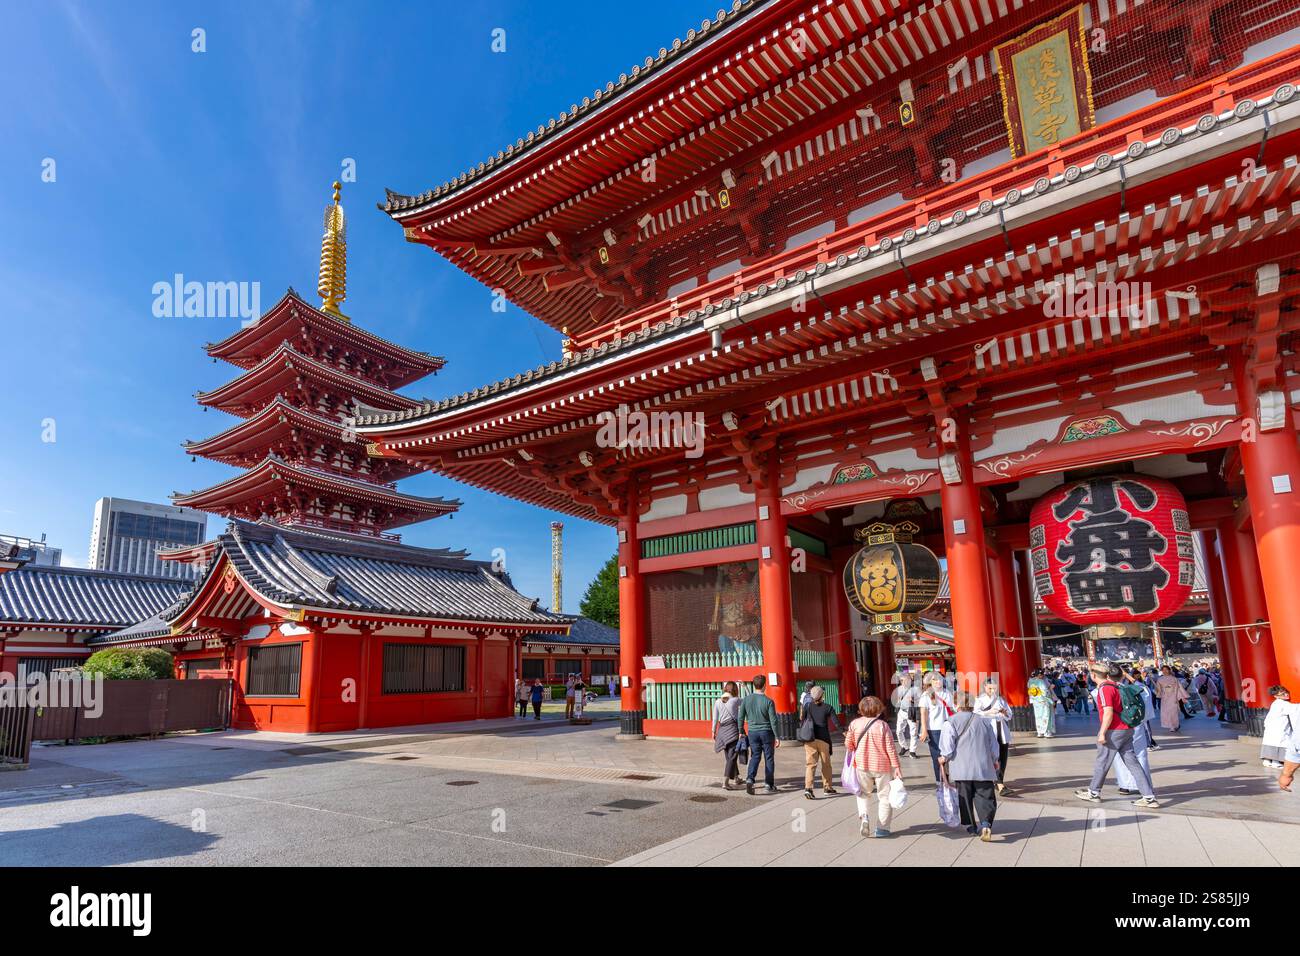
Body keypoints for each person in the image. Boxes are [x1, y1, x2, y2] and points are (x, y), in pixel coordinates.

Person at [1074, 662, 1159, 808]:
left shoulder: (1104, 689)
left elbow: (1108, 712)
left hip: (1114, 730)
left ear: (1093, 676)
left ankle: (1094, 792)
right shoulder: (1119, 685)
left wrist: (1102, 732)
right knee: (1133, 762)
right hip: (1127, 728)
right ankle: (1149, 797)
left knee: (1102, 761)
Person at [940, 692, 1001, 842]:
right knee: (986, 796)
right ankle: (986, 823)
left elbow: (947, 747)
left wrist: (944, 757)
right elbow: (993, 743)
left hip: (961, 767)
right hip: (983, 766)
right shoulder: (984, 721)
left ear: (956, 705)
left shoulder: (950, 722)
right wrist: (995, 759)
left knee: (965, 797)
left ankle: (971, 826)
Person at [844, 696, 902, 837]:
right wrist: (896, 766)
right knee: (884, 797)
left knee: (863, 793)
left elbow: (848, 744)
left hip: (862, 765)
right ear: (878, 709)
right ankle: (882, 828)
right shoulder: (882, 726)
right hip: (882, 765)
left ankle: (864, 816)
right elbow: (890, 748)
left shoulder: (854, 724)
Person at [736, 674, 780, 795]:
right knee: (769, 758)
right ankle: (769, 784)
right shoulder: (769, 701)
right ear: (764, 685)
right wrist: (777, 736)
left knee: (755, 756)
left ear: (754, 685)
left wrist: (741, 731)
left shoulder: (746, 700)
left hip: (752, 732)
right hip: (767, 732)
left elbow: (740, 717)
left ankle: (750, 779)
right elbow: (773, 721)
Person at [1116, 670, 1156, 795]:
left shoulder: (1113, 689)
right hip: (1137, 724)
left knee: (1121, 756)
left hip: (1120, 725)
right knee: (1140, 754)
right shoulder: (1139, 689)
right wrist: (1129, 677)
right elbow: (1144, 693)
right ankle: (1142, 784)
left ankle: (1125, 785)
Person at [974, 679, 1015, 796]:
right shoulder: (980, 700)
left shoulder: (1001, 699)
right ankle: (996, 782)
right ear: (984, 687)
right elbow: (975, 714)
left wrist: (1004, 713)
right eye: (989, 688)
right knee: (990, 758)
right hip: (988, 732)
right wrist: (989, 712)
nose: (992, 690)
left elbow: (1009, 715)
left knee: (1002, 757)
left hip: (1001, 731)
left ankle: (999, 782)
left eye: (994, 688)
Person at [799, 685, 839, 798]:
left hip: (809, 738)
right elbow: (836, 723)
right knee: (826, 764)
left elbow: (802, 720)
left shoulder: (807, 706)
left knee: (810, 764)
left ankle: (808, 788)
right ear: (822, 695)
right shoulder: (828, 707)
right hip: (823, 739)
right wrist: (844, 732)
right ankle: (827, 787)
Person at [918, 672, 954, 784]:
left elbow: (953, 709)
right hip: (934, 730)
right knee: (937, 756)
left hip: (948, 728)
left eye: (939, 679)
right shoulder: (926, 695)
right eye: (934, 680)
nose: (938, 682)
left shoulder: (948, 693)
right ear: (930, 682)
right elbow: (923, 713)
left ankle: (946, 778)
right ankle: (940, 781)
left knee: (948, 754)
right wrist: (924, 730)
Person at [712, 681, 743, 789]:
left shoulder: (717, 701)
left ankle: (736, 778)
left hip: (722, 731)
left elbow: (715, 718)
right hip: (732, 730)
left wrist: (713, 731)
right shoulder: (736, 700)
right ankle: (725, 782)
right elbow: (748, 700)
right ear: (735, 690)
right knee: (732, 756)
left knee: (729, 757)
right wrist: (745, 687)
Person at [1261, 686, 1293, 770]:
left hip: (1271, 726)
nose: (1286, 694)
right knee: (1279, 743)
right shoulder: (1285, 704)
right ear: (1276, 696)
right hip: (1279, 728)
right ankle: (1276, 761)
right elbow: (1294, 710)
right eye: (1282, 694)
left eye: (1286, 692)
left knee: (1270, 742)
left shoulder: (1275, 703)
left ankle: (1267, 760)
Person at [1154, 665, 1187, 732]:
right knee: (1167, 712)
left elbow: (1179, 688)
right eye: (1163, 670)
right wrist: (1158, 692)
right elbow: (1158, 689)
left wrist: (1182, 697)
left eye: (1166, 669)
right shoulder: (1160, 679)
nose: (1165, 671)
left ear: (1169, 670)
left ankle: (1174, 725)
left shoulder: (1174, 679)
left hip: (1173, 696)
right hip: (1165, 697)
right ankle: (1171, 725)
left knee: (1173, 711)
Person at [895, 673, 921, 757]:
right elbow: (899, 699)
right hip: (902, 712)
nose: (902, 682)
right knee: (898, 731)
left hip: (911, 712)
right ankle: (904, 746)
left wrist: (913, 700)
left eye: (904, 680)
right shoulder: (899, 689)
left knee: (913, 732)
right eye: (901, 681)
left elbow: (921, 701)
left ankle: (912, 751)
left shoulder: (916, 689)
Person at [1027, 669, 1057, 738]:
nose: (1042, 675)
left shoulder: (1030, 681)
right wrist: (1051, 701)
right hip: (1044, 701)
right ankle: (1047, 732)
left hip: (1036, 701)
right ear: (1039, 675)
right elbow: (1045, 693)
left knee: (1038, 716)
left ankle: (1040, 732)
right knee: (1046, 716)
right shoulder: (1041, 681)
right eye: (1041, 674)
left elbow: (1030, 690)